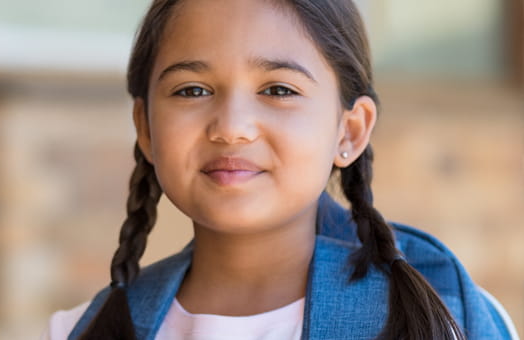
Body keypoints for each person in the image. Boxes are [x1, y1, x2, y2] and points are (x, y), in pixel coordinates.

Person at [43, 0, 519, 339]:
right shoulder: (85, 329)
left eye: (278, 90)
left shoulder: (434, 315)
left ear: (349, 132)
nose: (231, 129)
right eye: (191, 90)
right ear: (145, 129)